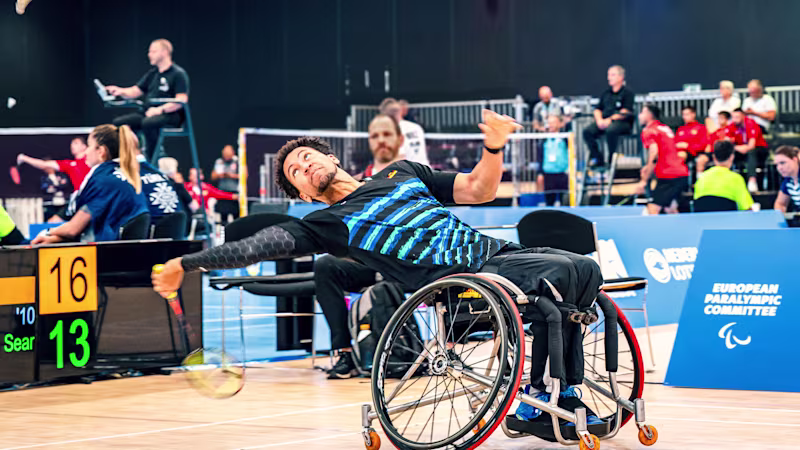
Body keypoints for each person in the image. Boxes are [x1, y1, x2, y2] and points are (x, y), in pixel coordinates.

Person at [152, 110, 603, 409]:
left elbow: (478, 190)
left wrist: (494, 145)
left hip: (499, 256)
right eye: (295, 173)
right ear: (304, 194)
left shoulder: (402, 172)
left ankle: (562, 391)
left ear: (329, 157)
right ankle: (542, 398)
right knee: (560, 274)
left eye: (307, 158)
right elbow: (256, 246)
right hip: (462, 279)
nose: (304, 167)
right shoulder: (327, 222)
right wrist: (186, 264)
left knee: (585, 268)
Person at [313, 113, 406, 378]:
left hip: (406, 265)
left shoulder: (414, 174)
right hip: (369, 263)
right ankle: (344, 355)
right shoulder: (353, 183)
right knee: (326, 266)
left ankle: (448, 349)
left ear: (399, 139)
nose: (381, 141)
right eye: (375, 136)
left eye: (387, 134)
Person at [31, 125, 148, 245]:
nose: (86, 151)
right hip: (121, 249)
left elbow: (73, 229)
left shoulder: (103, 181)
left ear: (101, 151)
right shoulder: (122, 174)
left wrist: (47, 232)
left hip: (106, 253)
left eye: (89, 145)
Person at [106, 39, 189, 155]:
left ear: (164, 52)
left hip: (170, 114)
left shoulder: (178, 74)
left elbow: (181, 100)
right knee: (119, 123)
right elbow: (135, 91)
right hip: (148, 113)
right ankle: (133, 154)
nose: (149, 54)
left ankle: (153, 158)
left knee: (148, 123)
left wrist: (159, 110)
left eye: (153, 51)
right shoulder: (153, 74)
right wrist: (120, 91)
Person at [636, 104, 689, 215]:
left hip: (669, 176)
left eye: (642, 112)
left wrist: (644, 180)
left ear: (649, 115)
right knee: (670, 209)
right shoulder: (664, 128)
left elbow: (654, 153)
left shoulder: (649, 131)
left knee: (652, 210)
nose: (639, 116)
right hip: (681, 173)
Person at [583, 65, 635, 169]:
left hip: (622, 123)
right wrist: (599, 120)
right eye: (609, 75)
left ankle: (611, 159)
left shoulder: (628, 93)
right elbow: (598, 109)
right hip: (604, 121)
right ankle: (598, 158)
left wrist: (610, 120)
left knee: (611, 130)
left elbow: (625, 111)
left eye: (612, 75)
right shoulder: (606, 93)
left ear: (621, 77)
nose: (609, 78)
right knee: (587, 131)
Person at [693, 141, 755, 211]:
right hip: (729, 221)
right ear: (732, 157)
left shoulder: (702, 177)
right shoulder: (736, 179)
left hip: (704, 221)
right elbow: (747, 208)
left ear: (714, 157)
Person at [17, 136, 90, 193]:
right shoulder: (69, 164)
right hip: (82, 197)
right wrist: (24, 158)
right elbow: (44, 164)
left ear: (84, 146)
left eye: (76, 143)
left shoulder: (91, 159)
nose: (72, 146)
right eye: (72, 143)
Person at [380, 98, 429, 166]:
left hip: (409, 172)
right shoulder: (417, 127)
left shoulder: (393, 131)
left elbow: (400, 157)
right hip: (426, 170)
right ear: (399, 111)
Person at [729, 108, 768, 192]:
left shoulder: (751, 124)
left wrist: (740, 148)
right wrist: (737, 148)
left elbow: (751, 145)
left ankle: (752, 181)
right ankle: (729, 182)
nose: (734, 120)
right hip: (740, 149)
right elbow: (727, 143)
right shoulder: (732, 125)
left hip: (759, 150)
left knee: (751, 152)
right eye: (733, 117)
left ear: (743, 116)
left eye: (737, 117)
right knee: (728, 153)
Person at [536, 115, 569, 206]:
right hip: (548, 174)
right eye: (549, 123)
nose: (551, 125)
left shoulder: (565, 138)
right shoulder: (543, 140)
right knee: (549, 202)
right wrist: (540, 173)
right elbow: (540, 157)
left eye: (553, 122)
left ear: (560, 124)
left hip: (563, 174)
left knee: (565, 202)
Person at [675, 106, 710, 177]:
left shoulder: (701, 128)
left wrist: (688, 146)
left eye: (687, 114)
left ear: (693, 114)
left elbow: (703, 145)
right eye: (683, 114)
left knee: (682, 155)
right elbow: (674, 143)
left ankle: (698, 182)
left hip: (696, 153)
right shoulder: (680, 129)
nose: (684, 117)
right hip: (681, 153)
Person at [211, 145, 240, 225]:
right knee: (223, 217)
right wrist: (220, 175)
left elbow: (245, 176)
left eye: (228, 154)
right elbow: (213, 176)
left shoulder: (238, 161)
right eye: (224, 154)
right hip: (222, 193)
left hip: (234, 193)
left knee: (236, 217)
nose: (226, 156)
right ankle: (223, 234)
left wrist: (231, 176)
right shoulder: (219, 162)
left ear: (233, 153)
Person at [773, 145, 800, 213]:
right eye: (777, 165)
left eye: (782, 163)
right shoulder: (788, 181)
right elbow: (780, 204)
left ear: (795, 159)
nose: (779, 168)